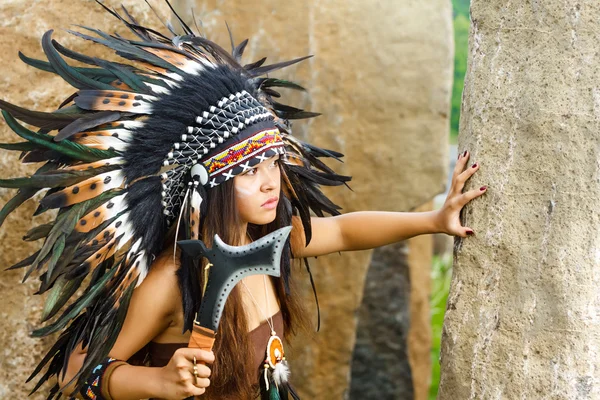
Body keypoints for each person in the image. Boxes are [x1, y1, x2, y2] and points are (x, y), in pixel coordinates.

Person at [0, 3, 485, 400]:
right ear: (209, 185)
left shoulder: (269, 243)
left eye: (273, 163)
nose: (271, 181)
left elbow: (343, 230)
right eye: (250, 171)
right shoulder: (174, 277)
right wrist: (159, 380)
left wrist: (433, 219)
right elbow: (78, 376)